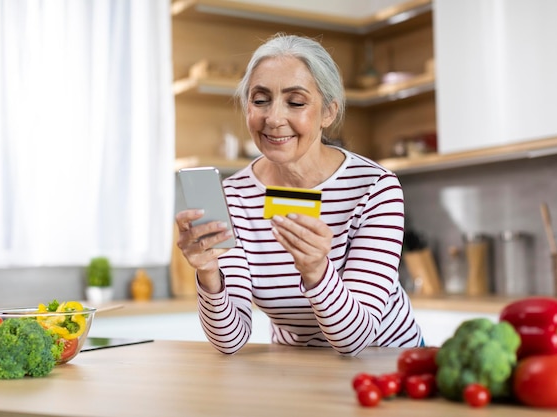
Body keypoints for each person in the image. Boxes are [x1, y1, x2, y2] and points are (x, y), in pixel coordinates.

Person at [175, 33, 423, 356]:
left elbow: (356, 340)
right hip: (297, 368)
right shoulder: (235, 197)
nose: (274, 118)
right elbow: (230, 339)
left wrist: (317, 271)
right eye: (260, 100)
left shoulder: (375, 188)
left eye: (296, 102)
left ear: (328, 113)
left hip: (387, 363)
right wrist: (208, 273)